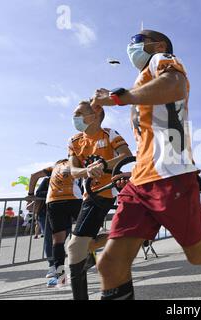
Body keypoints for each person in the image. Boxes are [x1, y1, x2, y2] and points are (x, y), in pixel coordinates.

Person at [90, 29, 201, 300]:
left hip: (171, 175)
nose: (130, 47)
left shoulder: (162, 59)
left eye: (136, 41)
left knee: (197, 254)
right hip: (139, 181)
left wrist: (118, 98)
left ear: (158, 44)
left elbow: (176, 85)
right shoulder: (141, 80)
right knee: (110, 264)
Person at [68, 101, 132, 300]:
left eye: (79, 113)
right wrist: (87, 170)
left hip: (112, 191)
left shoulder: (109, 133)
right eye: (74, 114)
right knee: (79, 246)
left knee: (78, 247)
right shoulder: (74, 141)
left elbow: (126, 156)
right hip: (92, 194)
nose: (75, 118)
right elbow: (73, 171)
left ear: (94, 115)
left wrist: (103, 164)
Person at [27, 174, 55, 278]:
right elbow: (39, 193)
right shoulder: (47, 180)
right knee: (49, 239)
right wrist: (55, 191)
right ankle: (53, 266)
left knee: (60, 241)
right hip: (45, 213)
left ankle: (58, 266)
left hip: (63, 214)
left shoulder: (71, 180)